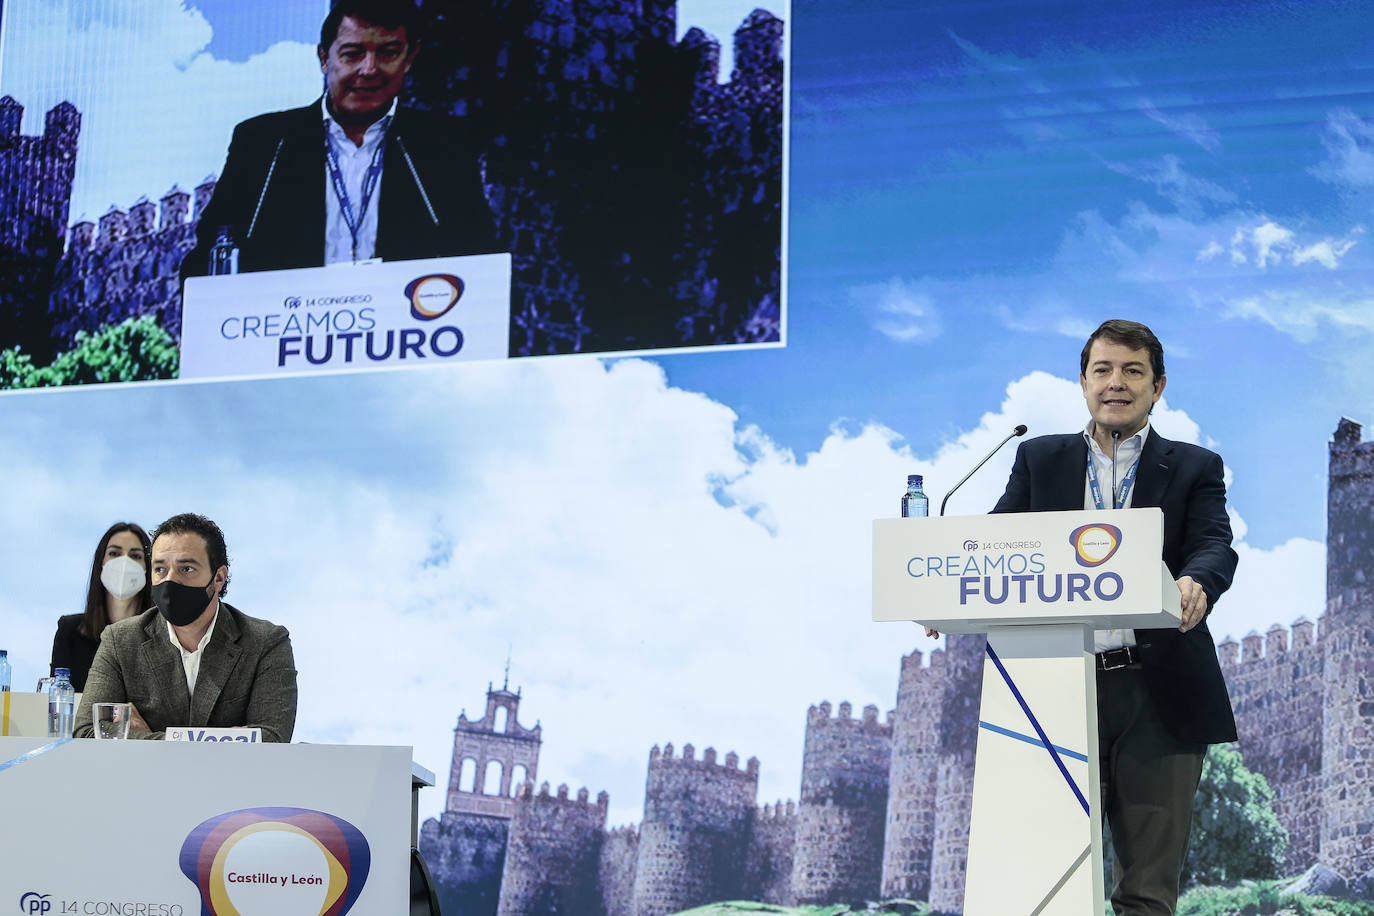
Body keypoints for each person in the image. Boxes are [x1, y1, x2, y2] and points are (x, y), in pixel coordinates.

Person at [989, 319, 1237, 915]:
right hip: (1052, 690)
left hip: (1159, 693)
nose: (1116, 383)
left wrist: (1196, 581)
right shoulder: (1038, 459)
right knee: (1042, 882)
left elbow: (1214, 544)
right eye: (1102, 370)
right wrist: (944, 593)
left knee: (1147, 890)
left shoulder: (1195, 465)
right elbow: (994, 545)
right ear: (1083, 382)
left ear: (1158, 386)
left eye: (1132, 371)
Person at [180, 0, 499, 282]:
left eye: (388, 53)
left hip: (408, 323)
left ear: (409, 58)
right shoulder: (264, 144)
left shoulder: (443, 146)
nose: (369, 69)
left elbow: (479, 257)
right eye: (352, 54)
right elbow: (208, 257)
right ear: (324, 57)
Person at [73, 513, 297, 742]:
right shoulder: (120, 640)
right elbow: (88, 731)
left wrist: (150, 739)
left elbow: (272, 739)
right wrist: (212, 740)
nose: (170, 580)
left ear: (219, 578)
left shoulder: (266, 643)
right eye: (160, 569)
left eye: (186, 569)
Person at [51, 522, 154, 692]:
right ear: (101, 562)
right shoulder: (70, 630)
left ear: (148, 567)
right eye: (114, 553)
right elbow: (59, 696)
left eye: (135, 556)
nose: (124, 563)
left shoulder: (162, 634)